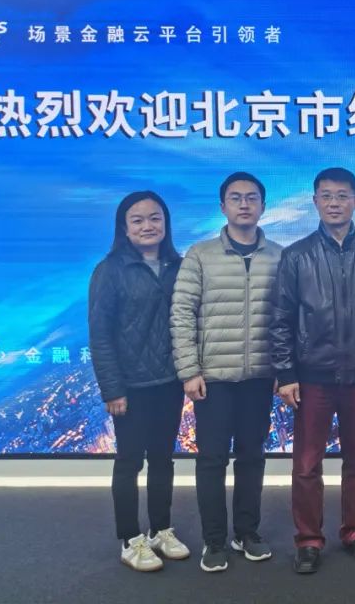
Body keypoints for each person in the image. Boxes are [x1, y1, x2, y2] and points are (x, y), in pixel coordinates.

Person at [269, 167, 355, 574]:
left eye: (342, 195)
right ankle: (308, 539)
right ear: (315, 202)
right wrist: (286, 373)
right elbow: (281, 320)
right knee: (307, 465)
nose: (335, 203)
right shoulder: (296, 256)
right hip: (312, 378)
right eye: (326, 195)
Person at [171, 172, 283, 573]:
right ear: (223, 207)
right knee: (212, 461)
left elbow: (287, 318)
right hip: (213, 379)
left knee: (253, 457)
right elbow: (182, 314)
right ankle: (214, 540)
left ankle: (247, 532)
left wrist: (283, 371)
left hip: (259, 377)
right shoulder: (200, 255)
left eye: (252, 197)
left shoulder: (279, 256)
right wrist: (189, 370)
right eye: (235, 198)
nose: (244, 204)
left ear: (262, 206)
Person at [89, 190, 190, 572]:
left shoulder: (179, 266)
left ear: (166, 223)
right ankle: (130, 539)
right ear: (124, 227)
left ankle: (161, 529)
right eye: (138, 220)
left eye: (155, 218)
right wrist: (112, 389)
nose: (148, 226)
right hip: (130, 387)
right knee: (129, 461)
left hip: (169, 382)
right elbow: (100, 335)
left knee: (163, 460)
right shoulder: (110, 270)